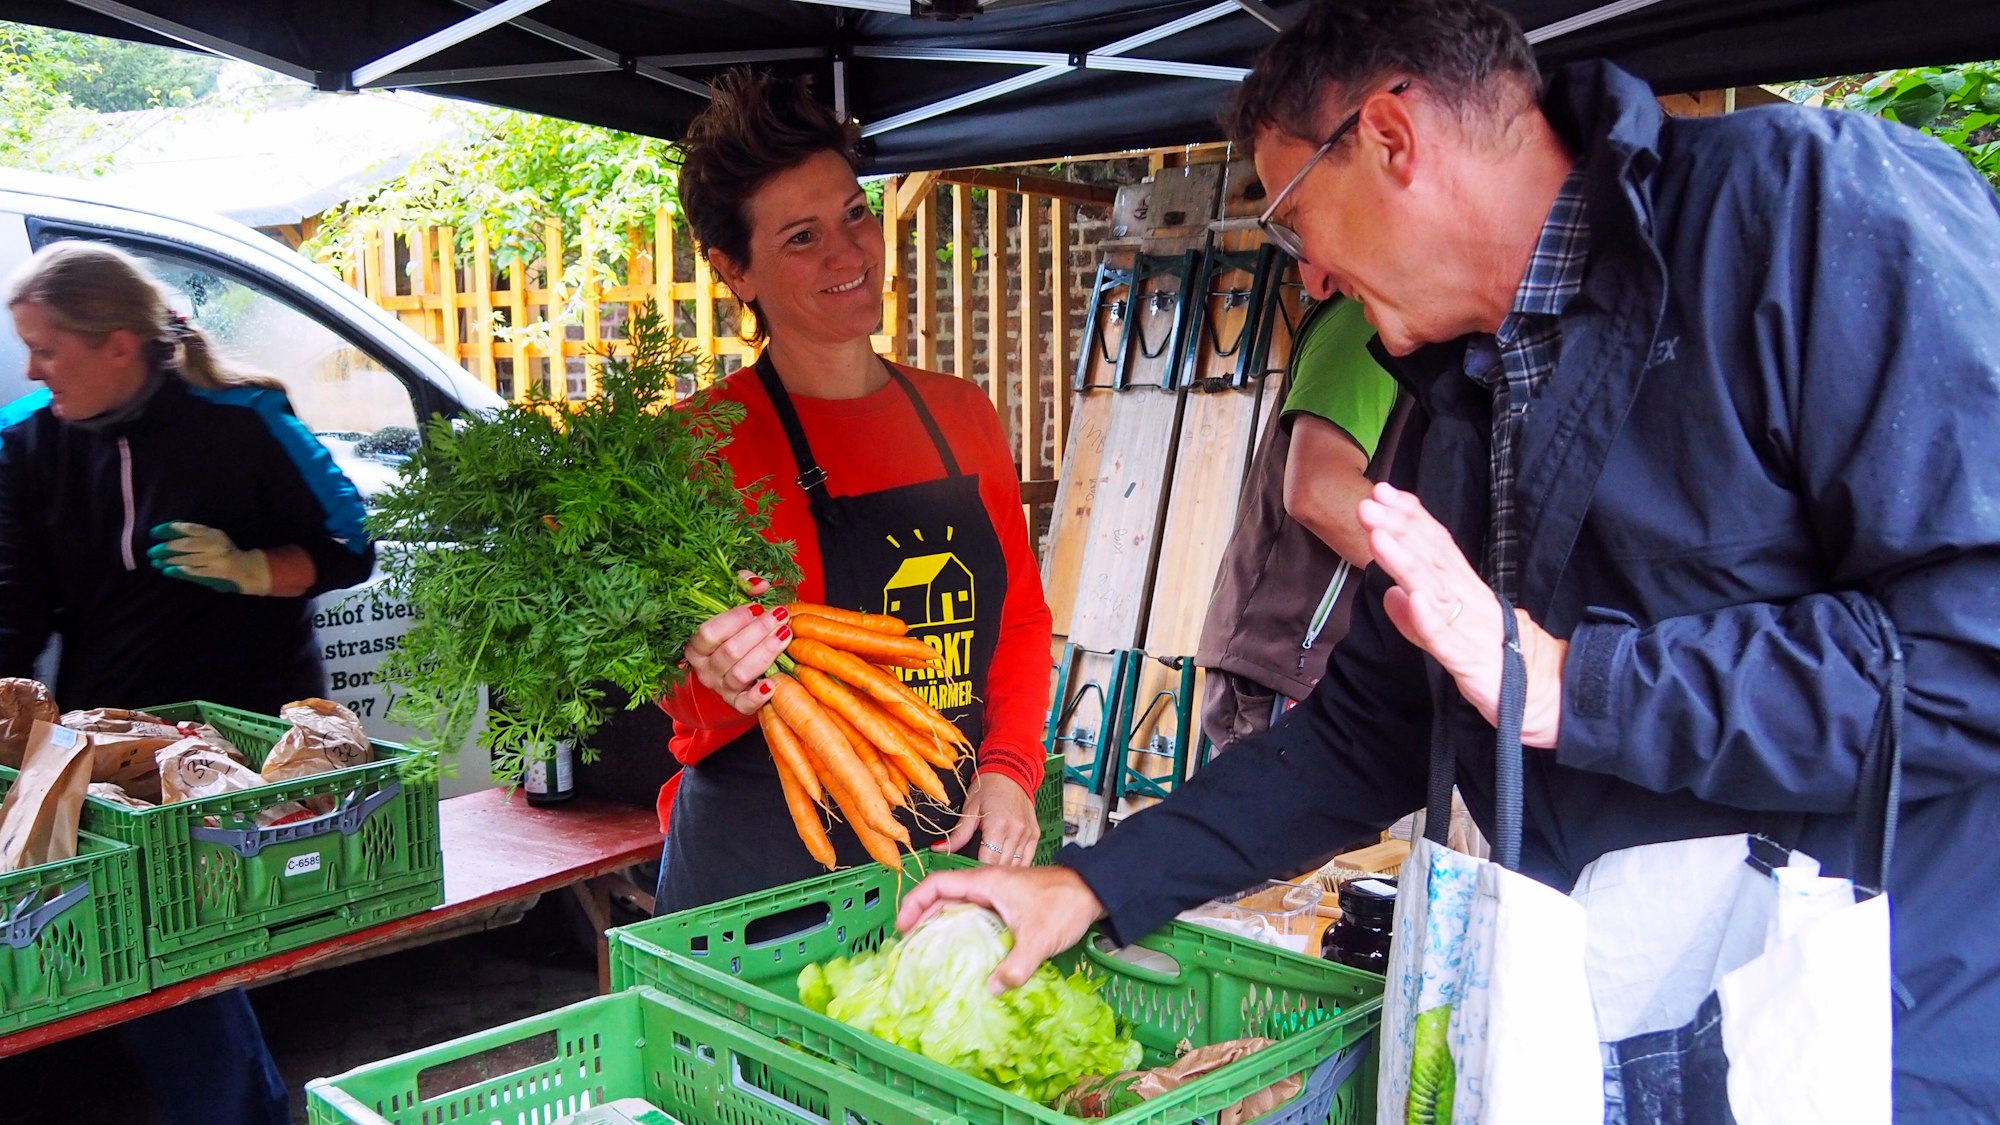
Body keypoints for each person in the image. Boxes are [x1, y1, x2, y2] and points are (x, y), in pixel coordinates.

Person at [897, 0, 2000, 1113]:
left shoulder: (1807, 211)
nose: (1310, 278)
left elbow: (1969, 658)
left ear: (1388, 137)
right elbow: (1370, 729)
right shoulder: (1462, 391)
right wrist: (1091, 881)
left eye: (1290, 220)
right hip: (1638, 1034)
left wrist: (1572, 686)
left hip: (1880, 1032)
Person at [652, 71, 1053, 914]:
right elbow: (672, 690)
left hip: (945, 841)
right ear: (736, 270)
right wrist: (713, 675)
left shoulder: (962, 414)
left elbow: (1017, 618)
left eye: (855, 214)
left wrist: (1011, 769)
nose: (848, 252)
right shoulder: (698, 448)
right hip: (760, 871)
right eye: (801, 237)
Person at [0, 241, 378, 1121]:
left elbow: (348, 543)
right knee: (145, 946)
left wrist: (254, 568)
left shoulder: (243, 418)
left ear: (117, 345)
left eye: (48, 348)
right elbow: (15, 603)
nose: (32, 367)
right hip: (113, 743)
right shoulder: (26, 443)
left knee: (181, 942)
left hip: (242, 738)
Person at [1195, 295, 1402, 752]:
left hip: (1336, 666)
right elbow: (1320, 491)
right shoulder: (1366, 322)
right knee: (1260, 821)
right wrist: (1452, 592)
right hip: (1288, 660)